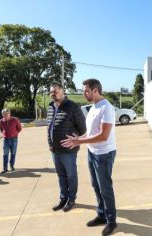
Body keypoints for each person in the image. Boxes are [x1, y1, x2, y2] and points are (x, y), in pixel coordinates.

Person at [61, 79, 117, 236]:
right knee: (96, 185)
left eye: (86, 90)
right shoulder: (93, 107)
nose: (84, 93)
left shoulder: (106, 108)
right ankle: (101, 214)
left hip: (104, 154)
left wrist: (79, 141)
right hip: (92, 152)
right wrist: (78, 139)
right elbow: (91, 133)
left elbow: (104, 136)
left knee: (105, 187)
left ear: (95, 91)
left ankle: (111, 221)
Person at [47, 83, 86, 212]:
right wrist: (50, 143)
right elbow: (50, 128)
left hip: (68, 151)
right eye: (52, 92)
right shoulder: (51, 107)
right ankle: (63, 198)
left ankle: (71, 199)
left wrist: (74, 139)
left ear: (62, 92)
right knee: (61, 175)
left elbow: (83, 129)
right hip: (54, 150)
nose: (53, 94)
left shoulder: (73, 107)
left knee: (71, 175)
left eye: (56, 92)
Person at [0, 108, 22, 173]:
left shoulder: (15, 120)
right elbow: (1, 129)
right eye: (4, 114)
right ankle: (5, 168)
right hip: (6, 139)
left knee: (13, 153)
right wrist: (4, 134)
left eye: (7, 114)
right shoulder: (1, 121)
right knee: (5, 154)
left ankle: (11, 165)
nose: (5, 115)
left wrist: (15, 133)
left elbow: (19, 128)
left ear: (10, 114)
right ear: (2, 115)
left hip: (14, 139)